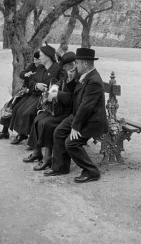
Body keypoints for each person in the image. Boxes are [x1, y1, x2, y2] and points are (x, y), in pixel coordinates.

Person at [44, 47, 108, 183]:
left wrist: (76, 126)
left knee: (71, 143)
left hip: (92, 120)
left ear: (85, 64)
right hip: (80, 116)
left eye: (77, 63)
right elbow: (74, 96)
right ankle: (60, 167)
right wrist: (71, 79)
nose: (75, 65)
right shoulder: (83, 76)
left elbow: (86, 107)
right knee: (59, 132)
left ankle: (91, 171)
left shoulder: (94, 81)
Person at [23, 51, 77, 168]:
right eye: (64, 66)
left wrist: (58, 93)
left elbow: (71, 97)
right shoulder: (69, 73)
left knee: (47, 123)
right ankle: (37, 152)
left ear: (74, 64)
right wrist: (55, 86)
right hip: (61, 107)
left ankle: (48, 157)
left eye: (67, 66)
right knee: (38, 118)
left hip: (69, 111)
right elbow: (61, 82)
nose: (65, 68)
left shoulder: (76, 76)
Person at [10, 43, 61, 147]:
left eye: (41, 55)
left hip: (46, 98)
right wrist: (37, 85)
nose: (39, 57)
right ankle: (23, 134)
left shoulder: (57, 68)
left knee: (28, 113)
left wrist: (50, 88)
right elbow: (31, 81)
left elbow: (60, 83)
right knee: (20, 110)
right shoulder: (40, 67)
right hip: (35, 94)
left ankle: (33, 140)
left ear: (47, 57)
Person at [0, 51, 41, 140]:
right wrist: (26, 74)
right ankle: (4, 131)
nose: (35, 61)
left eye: (38, 59)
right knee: (9, 106)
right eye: (34, 59)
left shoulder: (42, 70)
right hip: (25, 92)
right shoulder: (33, 66)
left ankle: (22, 133)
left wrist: (28, 90)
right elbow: (21, 74)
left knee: (18, 108)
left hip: (32, 94)